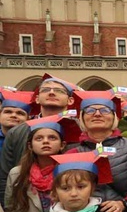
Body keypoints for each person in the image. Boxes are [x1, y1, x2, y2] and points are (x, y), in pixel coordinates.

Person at [0, 75, 78, 204]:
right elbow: (5, 176)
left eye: (59, 91)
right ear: (36, 99)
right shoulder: (18, 132)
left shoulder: (80, 130)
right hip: (27, 203)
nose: (52, 92)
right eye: (46, 90)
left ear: (70, 100)